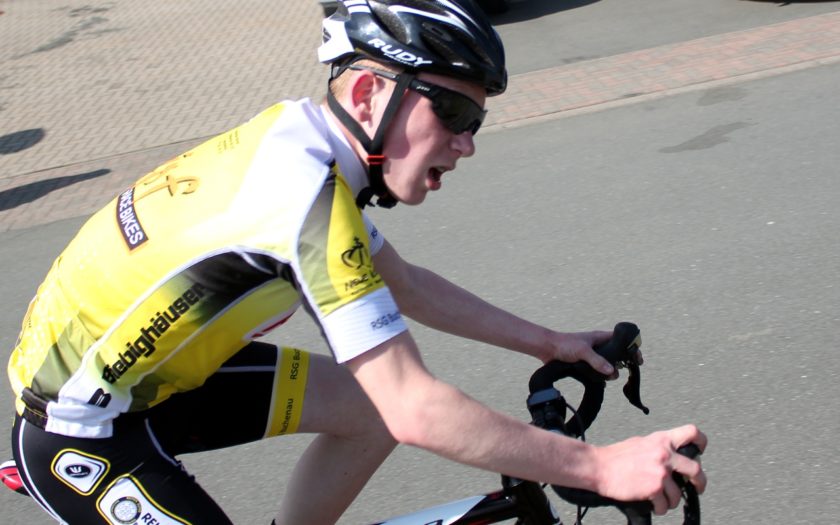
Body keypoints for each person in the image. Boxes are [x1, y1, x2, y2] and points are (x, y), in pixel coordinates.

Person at [6, 1, 707, 523]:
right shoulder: (298, 197)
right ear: (370, 93)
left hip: (158, 377)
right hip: (83, 432)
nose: (467, 144)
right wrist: (599, 464)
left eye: (477, 122)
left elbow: (405, 285)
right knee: (389, 404)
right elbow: (416, 408)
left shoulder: (305, 149)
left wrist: (550, 341)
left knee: (363, 410)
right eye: (455, 117)